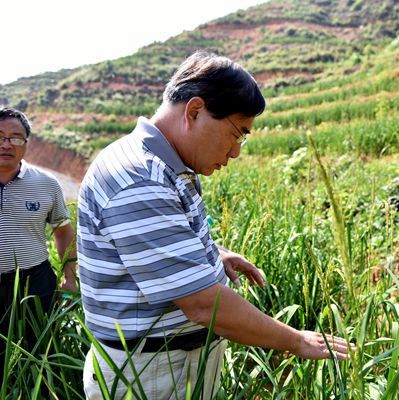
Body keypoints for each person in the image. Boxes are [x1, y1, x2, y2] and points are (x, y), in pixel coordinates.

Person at [77, 51, 351, 399]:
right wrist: (297, 340)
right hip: (151, 376)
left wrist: (210, 254)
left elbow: (150, 241)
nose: (236, 151)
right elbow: (202, 302)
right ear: (194, 111)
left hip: (170, 363)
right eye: (238, 133)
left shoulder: (167, 164)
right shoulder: (138, 179)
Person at [0, 106, 78, 384]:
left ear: (26, 143)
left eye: (15, 137)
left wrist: (70, 277)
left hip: (35, 284)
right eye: (0, 136)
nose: (6, 143)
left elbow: (64, 232)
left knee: (38, 353)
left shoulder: (46, 184)